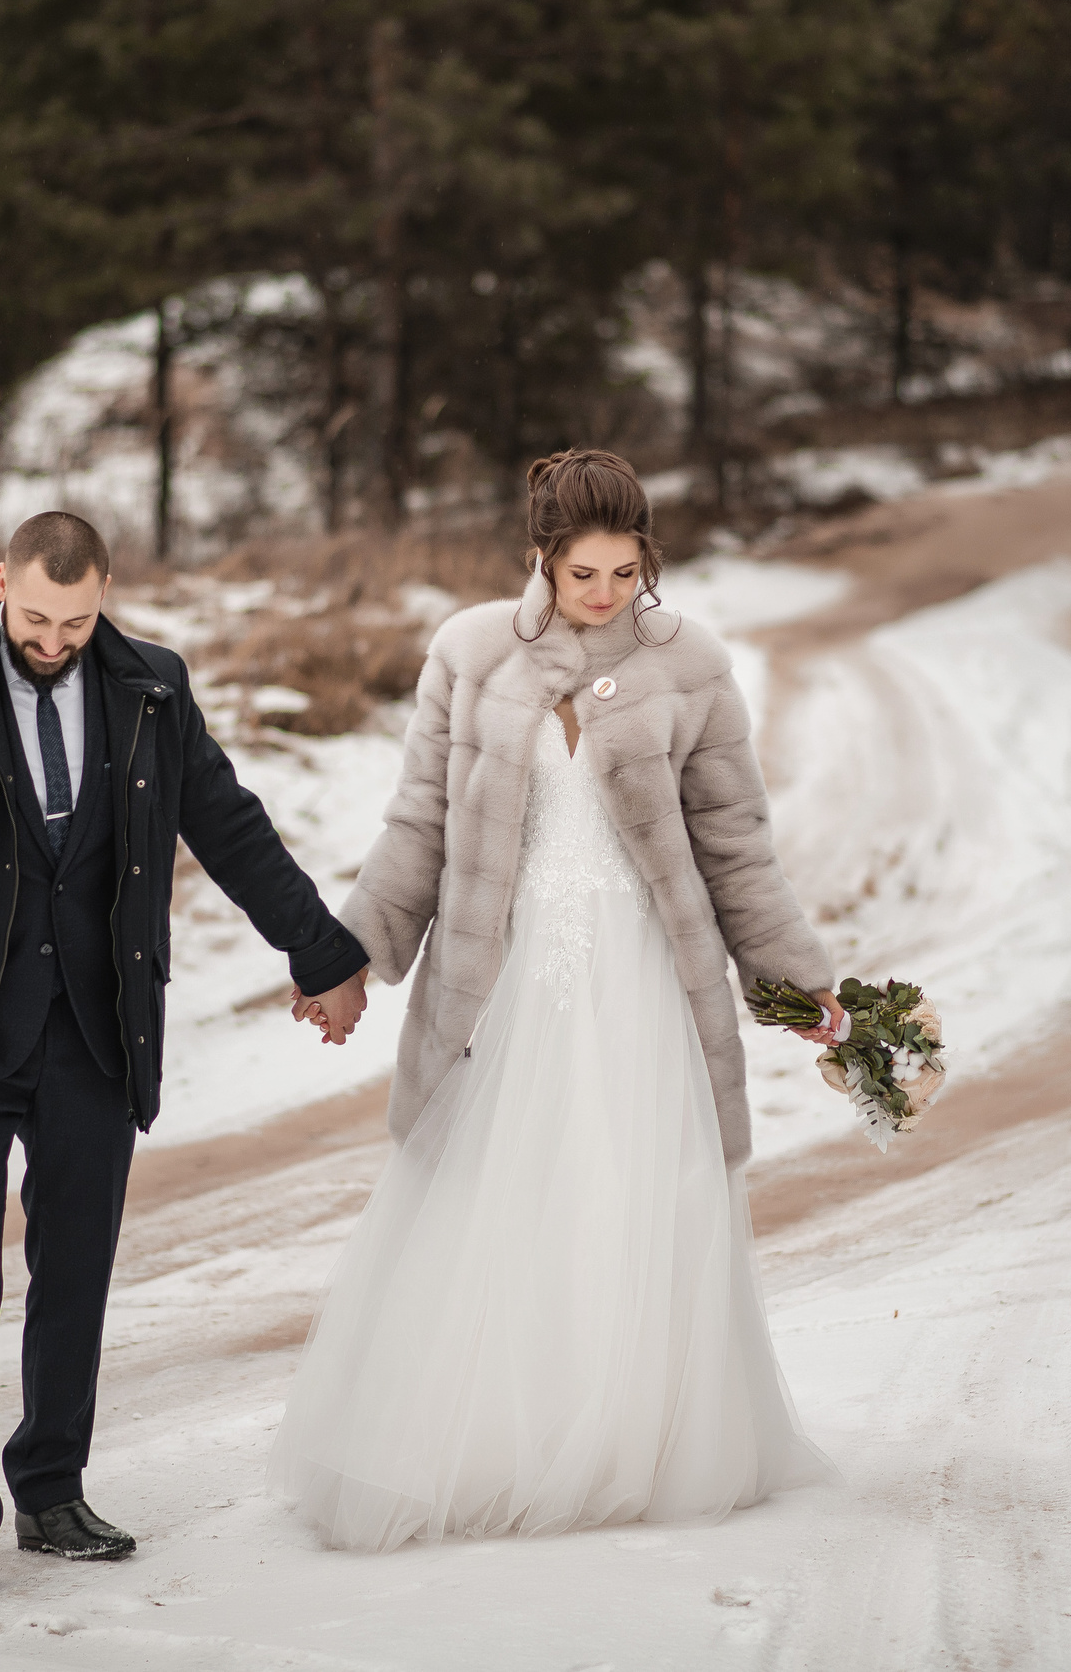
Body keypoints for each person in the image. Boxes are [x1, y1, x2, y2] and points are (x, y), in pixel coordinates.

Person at [269, 449, 841, 1551]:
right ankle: (490, 1440)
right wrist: (348, 955)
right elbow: (418, 825)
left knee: (632, 1195)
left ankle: (631, 1442)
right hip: (513, 975)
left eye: (626, 574)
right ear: (539, 558)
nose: (605, 595)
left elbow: (735, 848)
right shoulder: (471, 653)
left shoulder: (694, 668)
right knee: (500, 1191)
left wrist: (793, 982)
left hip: (642, 979)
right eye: (583, 573)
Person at [0, 511, 370, 1607]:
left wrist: (323, 954)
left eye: (76, 618)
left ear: (106, 590)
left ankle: (52, 1491)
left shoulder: (152, 686)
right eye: (35, 616)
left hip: (96, 1033)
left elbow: (229, 825)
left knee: (74, 1279)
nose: (54, 639)